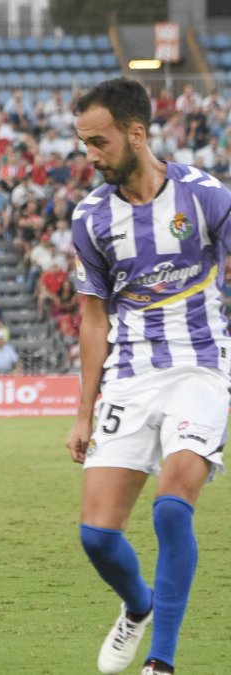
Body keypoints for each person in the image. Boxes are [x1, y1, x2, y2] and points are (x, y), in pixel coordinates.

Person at [66, 78, 231, 675]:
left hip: (201, 368)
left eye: (99, 142)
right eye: (84, 143)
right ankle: (137, 605)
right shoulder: (90, 218)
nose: (91, 155)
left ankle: (161, 663)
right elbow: (92, 319)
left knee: (170, 507)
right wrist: (83, 411)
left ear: (137, 132)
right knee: (98, 537)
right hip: (131, 376)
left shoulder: (205, 196)